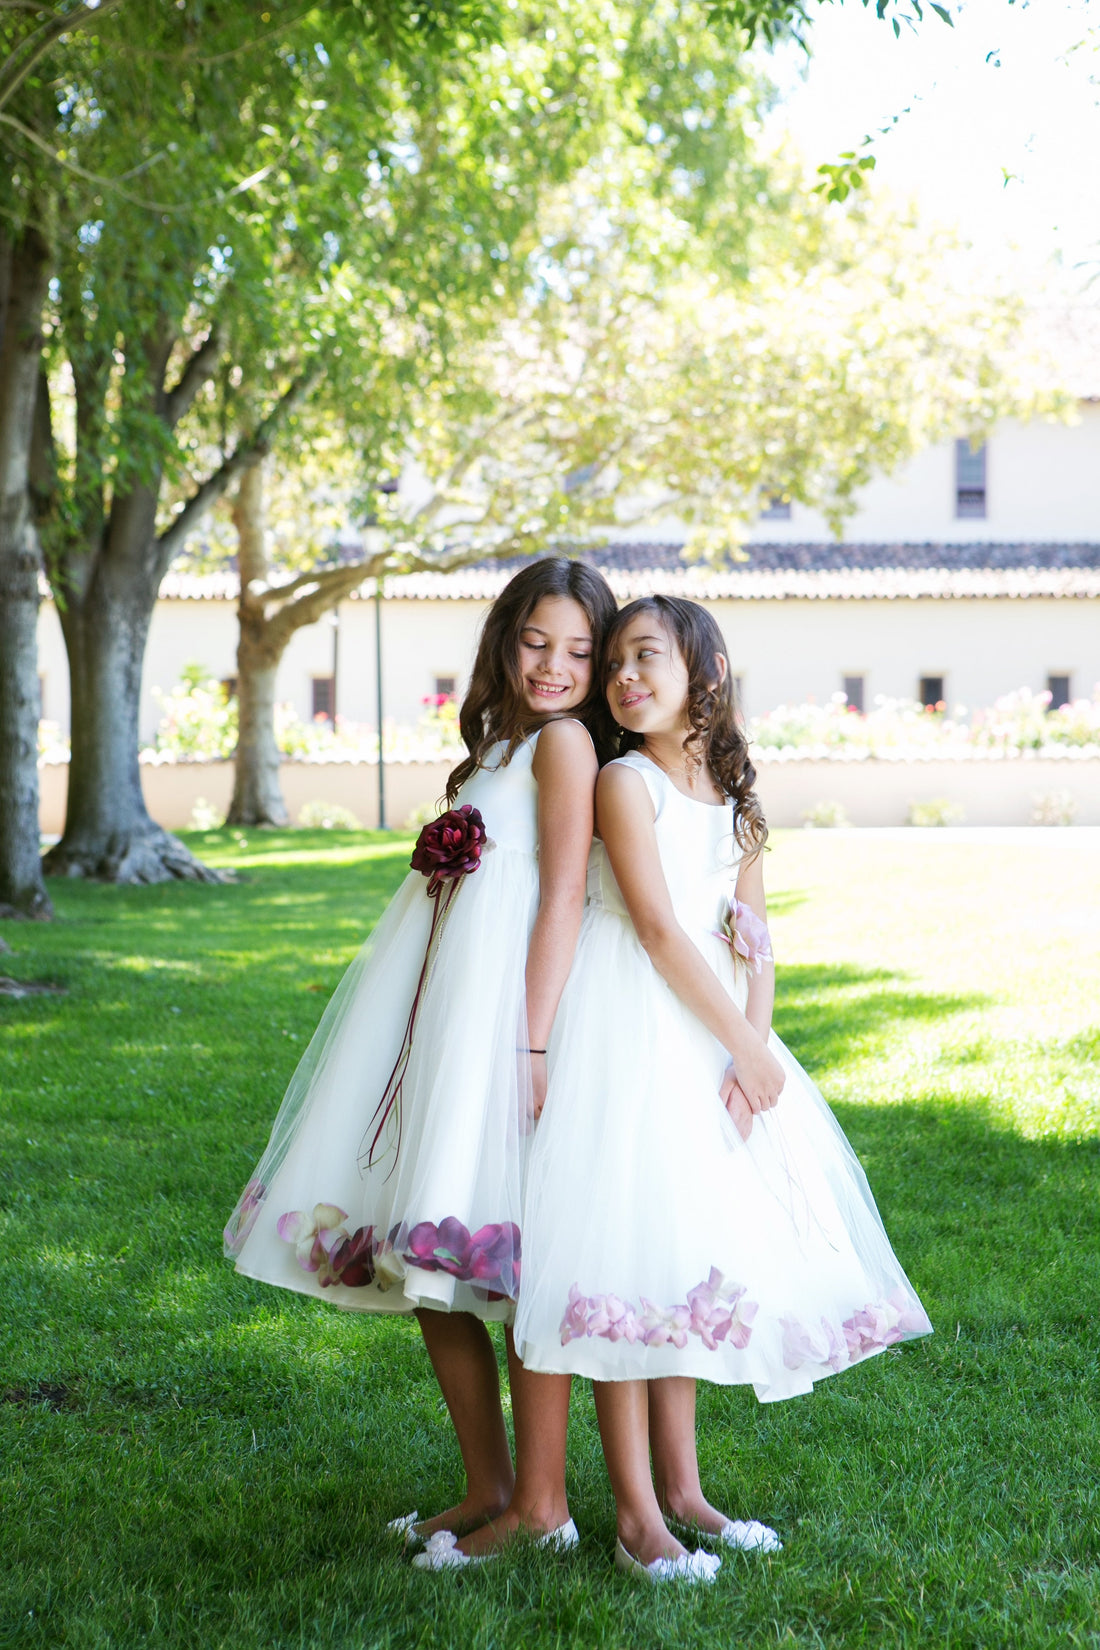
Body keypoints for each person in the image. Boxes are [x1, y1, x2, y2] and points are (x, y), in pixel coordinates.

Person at [511, 595, 933, 1584]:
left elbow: (752, 931)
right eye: (614, 663)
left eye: (643, 657)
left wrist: (757, 1034)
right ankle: (633, 1515)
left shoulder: (737, 799)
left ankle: (687, 1491)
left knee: (681, 1254)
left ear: (704, 672)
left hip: (714, 1031)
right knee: (625, 1258)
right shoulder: (624, 781)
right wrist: (741, 1043)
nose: (622, 677)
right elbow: (658, 929)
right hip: (633, 1027)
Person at [223, 556, 617, 1552]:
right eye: (535, 641)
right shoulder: (497, 744)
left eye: (577, 648)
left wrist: (530, 1041)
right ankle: (485, 1488)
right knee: (429, 1255)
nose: (553, 665)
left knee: (512, 1256)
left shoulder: (566, 745)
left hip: (509, 1025)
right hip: (441, 1017)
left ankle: (542, 1506)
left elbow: (563, 893)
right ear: (504, 640)